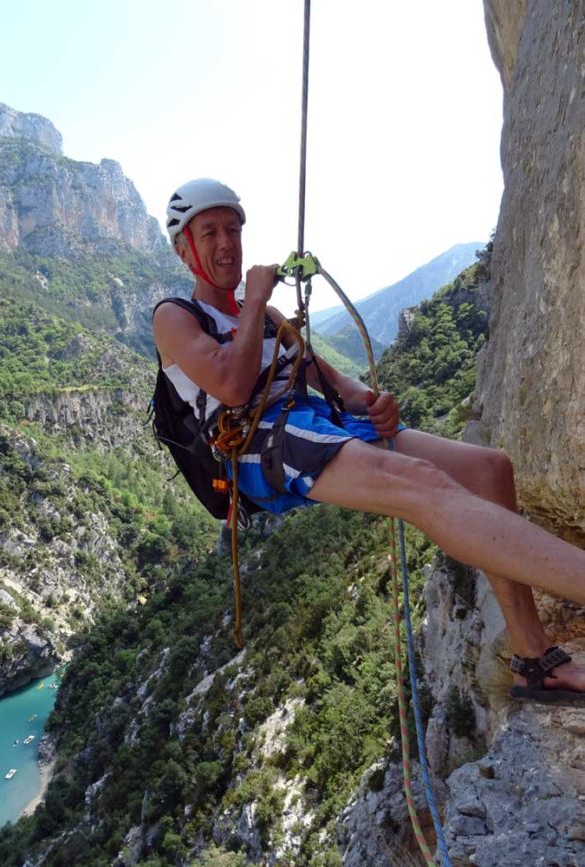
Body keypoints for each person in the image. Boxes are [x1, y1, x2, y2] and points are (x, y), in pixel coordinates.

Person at [153, 178, 585, 702]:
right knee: (421, 484)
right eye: (209, 233)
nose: (226, 243)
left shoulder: (263, 317)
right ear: (185, 249)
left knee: (490, 468)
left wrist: (371, 401)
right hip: (260, 447)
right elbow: (230, 383)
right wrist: (255, 303)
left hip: (312, 420)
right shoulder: (175, 317)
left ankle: (534, 659)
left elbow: (331, 381)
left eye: (233, 229)